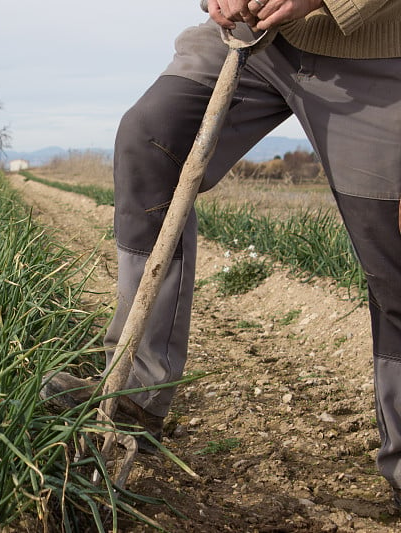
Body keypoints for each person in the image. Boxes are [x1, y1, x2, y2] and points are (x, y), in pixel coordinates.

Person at [40, 0, 401, 505]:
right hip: (253, 37)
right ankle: (135, 393)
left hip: (375, 50)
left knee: (393, 262)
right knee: (151, 139)